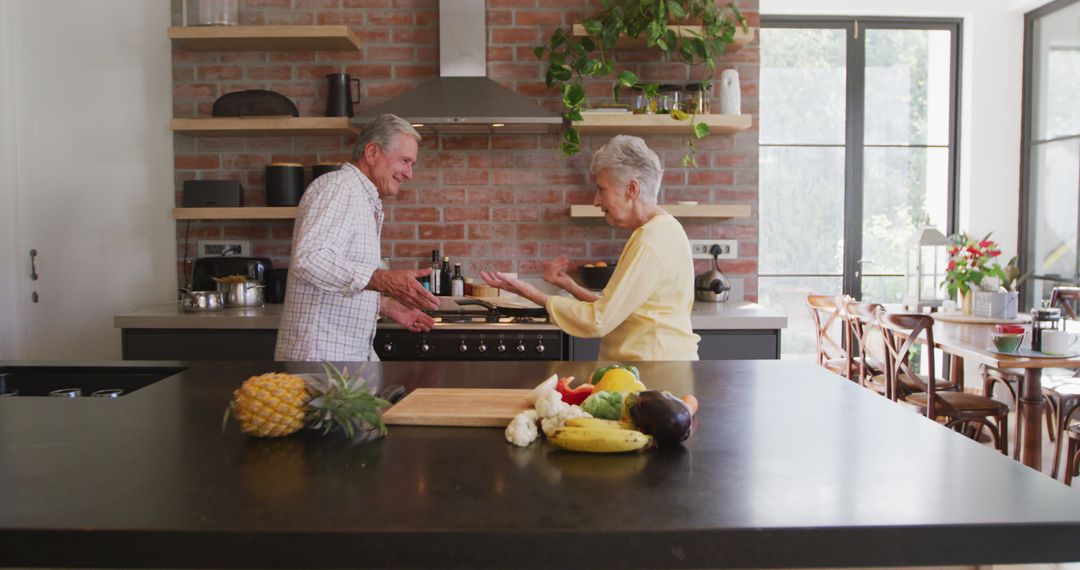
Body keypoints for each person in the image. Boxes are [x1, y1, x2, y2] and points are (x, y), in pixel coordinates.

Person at [481, 135, 700, 361]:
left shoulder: (650, 241)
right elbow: (620, 311)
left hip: (653, 371)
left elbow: (599, 320)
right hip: (655, 368)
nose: (596, 201)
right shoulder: (663, 230)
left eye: (601, 189)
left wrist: (531, 293)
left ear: (631, 189)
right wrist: (570, 285)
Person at [275, 114, 439, 361]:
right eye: (405, 161)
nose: (409, 174)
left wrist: (384, 305)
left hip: (344, 356)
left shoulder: (362, 198)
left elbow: (338, 277)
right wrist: (382, 280)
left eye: (412, 164)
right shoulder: (338, 188)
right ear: (372, 153)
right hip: (322, 359)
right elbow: (310, 260)